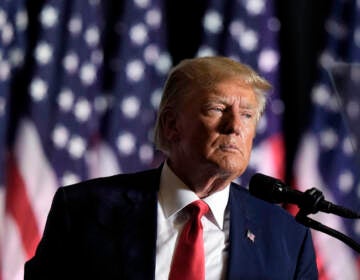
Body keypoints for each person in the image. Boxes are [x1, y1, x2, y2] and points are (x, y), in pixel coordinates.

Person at [24, 56, 318, 279]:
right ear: (171, 125)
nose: (234, 127)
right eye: (217, 109)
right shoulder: (83, 210)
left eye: (247, 115)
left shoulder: (287, 238)